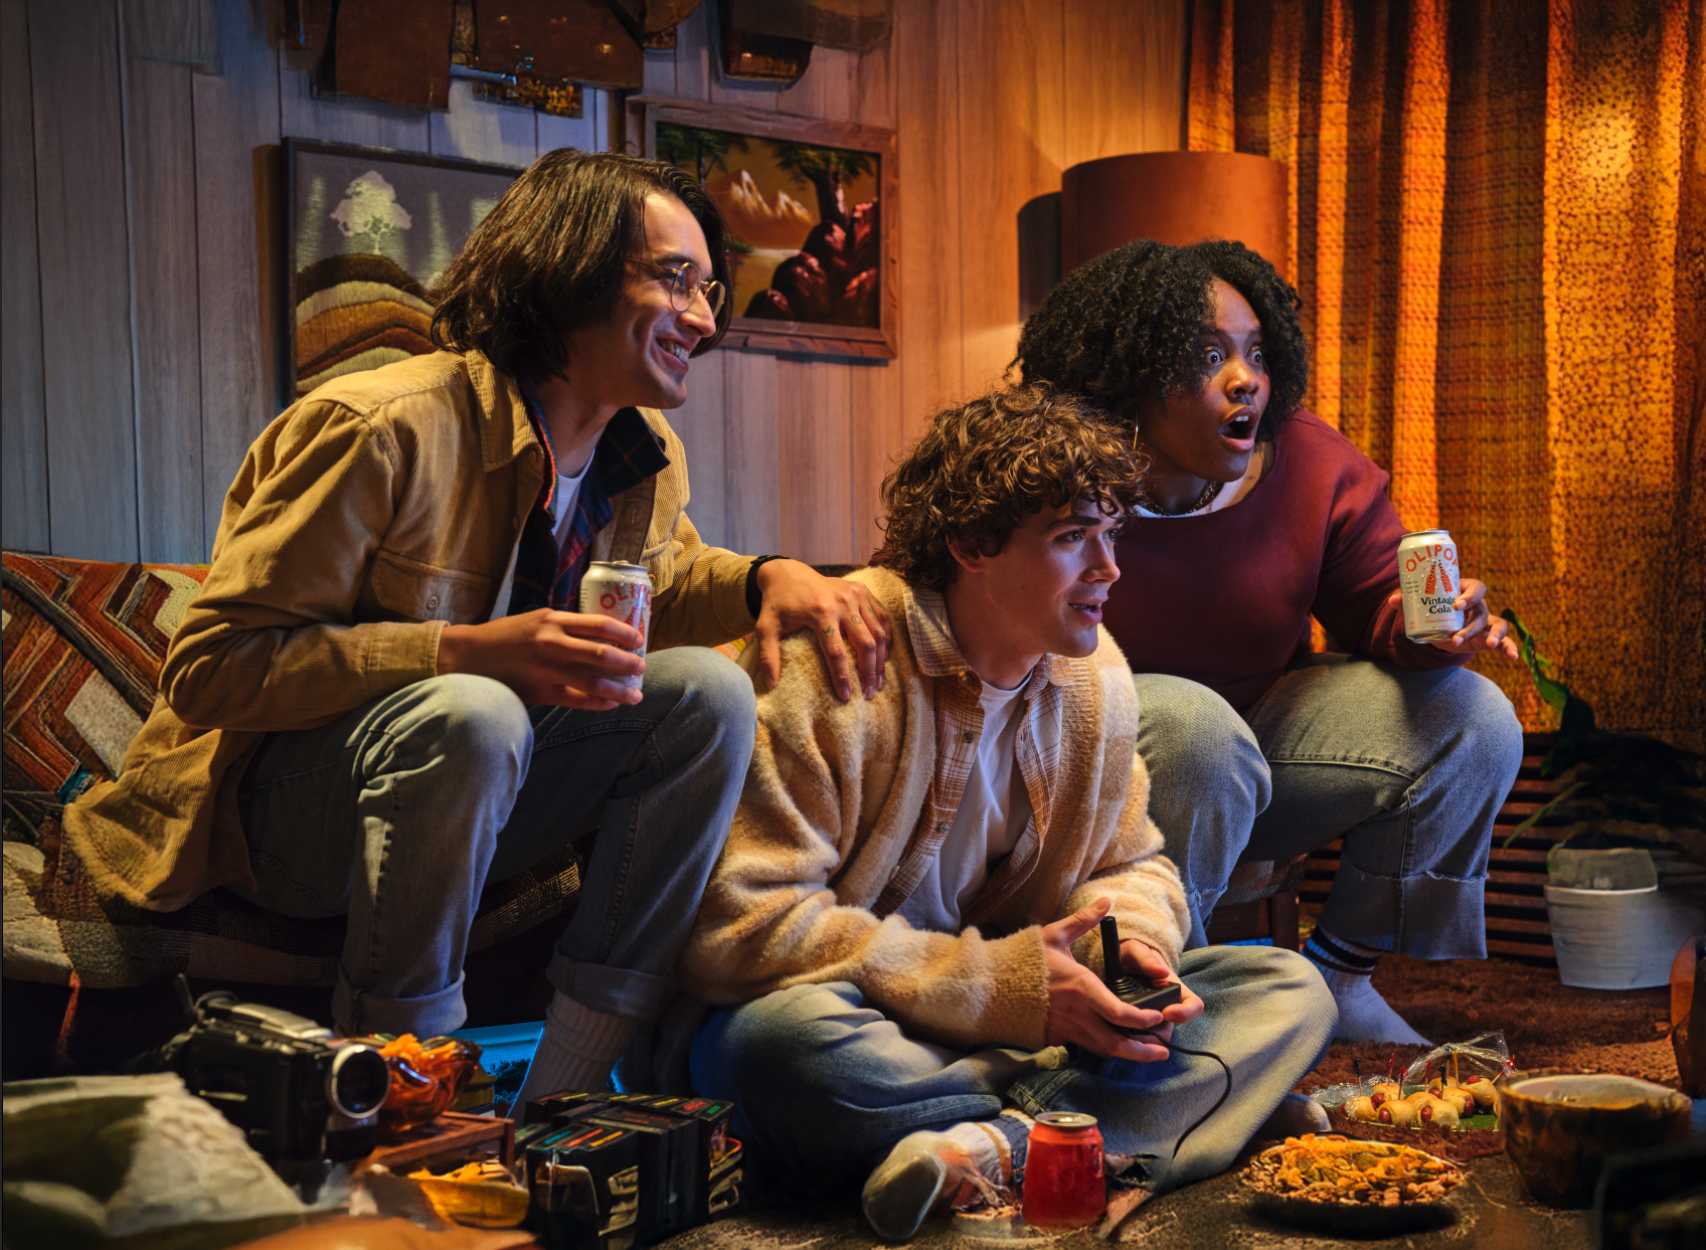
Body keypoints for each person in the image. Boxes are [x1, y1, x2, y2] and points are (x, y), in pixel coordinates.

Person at [62, 149, 890, 1103]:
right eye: (674, 280)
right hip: (272, 824)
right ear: (568, 263)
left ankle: (565, 1093)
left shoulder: (643, 451)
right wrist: (463, 652)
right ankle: (401, 1090)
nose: (703, 320)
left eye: (708, 290)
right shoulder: (381, 428)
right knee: (473, 711)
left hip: (476, 801)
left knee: (705, 695)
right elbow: (210, 670)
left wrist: (768, 578)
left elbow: (666, 573)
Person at [665, 386, 1337, 1241]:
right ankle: (1168, 1117)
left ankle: (1005, 1143)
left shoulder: (1095, 683)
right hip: (869, 1025)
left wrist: (1128, 942)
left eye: (1110, 533)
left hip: (1013, 1038)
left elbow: (1133, 865)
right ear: (971, 545)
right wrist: (1002, 991)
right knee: (771, 1052)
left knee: (1290, 988)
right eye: (1071, 539)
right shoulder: (832, 666)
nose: (1109, 568)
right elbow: (736, 928)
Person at [1014, 238, 1524, 1046]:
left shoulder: (1309, 461)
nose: (1245, 377)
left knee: (1474, 718)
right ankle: (1164, 994)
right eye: (1207, 354)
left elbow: (1378, 610)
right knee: (1193, 722)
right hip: (1071, 773)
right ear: (1128, 373)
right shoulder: (1045, 471)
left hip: (1256, 752)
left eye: (1256, 352)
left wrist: (1439, 631)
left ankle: (1338, 976)